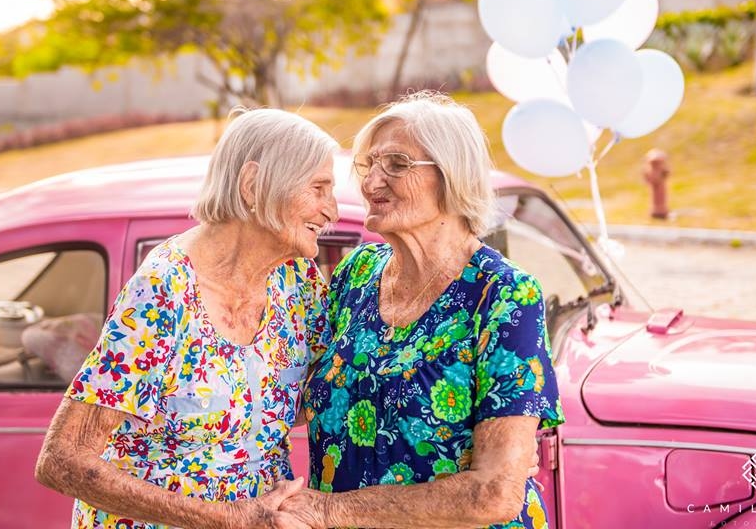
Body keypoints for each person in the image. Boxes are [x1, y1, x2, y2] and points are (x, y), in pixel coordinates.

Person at [35, 108, 340, 529]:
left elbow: (307, 396)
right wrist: (230, 517)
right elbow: (62, 459)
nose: (332, 210)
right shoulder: (165, 290)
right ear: (253, 185)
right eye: (319, 188)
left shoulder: (297, 280)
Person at [286, 92, 565, 529]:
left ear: (452, 176)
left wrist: (328, 511)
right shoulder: (356, 275)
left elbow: (495, 494)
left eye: (396, 164)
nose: (372, 182)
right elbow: (290, 394)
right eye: (368, 165)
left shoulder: (504, 295)